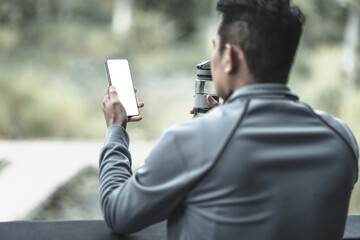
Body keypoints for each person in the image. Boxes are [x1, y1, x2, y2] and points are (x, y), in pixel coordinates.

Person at [100, 0, 359, 239]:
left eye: (214, 48)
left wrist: (115, 129)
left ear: (230, 57)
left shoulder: (193, 140)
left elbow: (117, 212)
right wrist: (225, 124)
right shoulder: (341, 138)